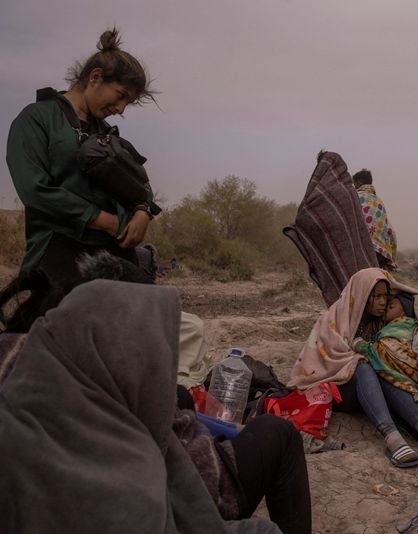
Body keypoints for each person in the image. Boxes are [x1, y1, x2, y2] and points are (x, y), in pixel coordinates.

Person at [0, 267, 313, 534]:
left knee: (180, 396)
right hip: (201, 491)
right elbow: (196, 490)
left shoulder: (30, 379)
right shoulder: (130, 478)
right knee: (278, 434)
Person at [5, 28, 160, 294]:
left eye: (129, 103)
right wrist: (102, 220)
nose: (121, 109)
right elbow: (34, 190)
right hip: (58, 247)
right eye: (121, 95)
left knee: (152, 309)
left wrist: (143, 211)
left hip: (115, 251)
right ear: (95, 77)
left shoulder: (108, 134)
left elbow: (137, 182)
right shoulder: (36, 119)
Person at [289, 268, 418, 468]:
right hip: (339, 387)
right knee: (364, 366)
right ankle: (392, 438)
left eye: (385, 296)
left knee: (378, 365)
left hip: (370, 388)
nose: (383, 302)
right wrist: (357, 357)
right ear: (362, 295)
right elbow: (322, 363)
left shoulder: (379, 322)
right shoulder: (335, 320)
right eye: (376, 297)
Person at [284, 151, 378, 306]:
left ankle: (347, 314)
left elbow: (305, 216)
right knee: (360, 290)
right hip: (358, 254)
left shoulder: (322, 194)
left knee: (342, 291)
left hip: (338, 252)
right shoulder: (351, 192)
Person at [353, 168, 398, 270]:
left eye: (354, 184)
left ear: (359, 182)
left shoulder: (354, 197)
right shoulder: (379, 201)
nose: (353, 187)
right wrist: (392, 259)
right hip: (380, 255)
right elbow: (390, 231)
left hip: (359, 252)